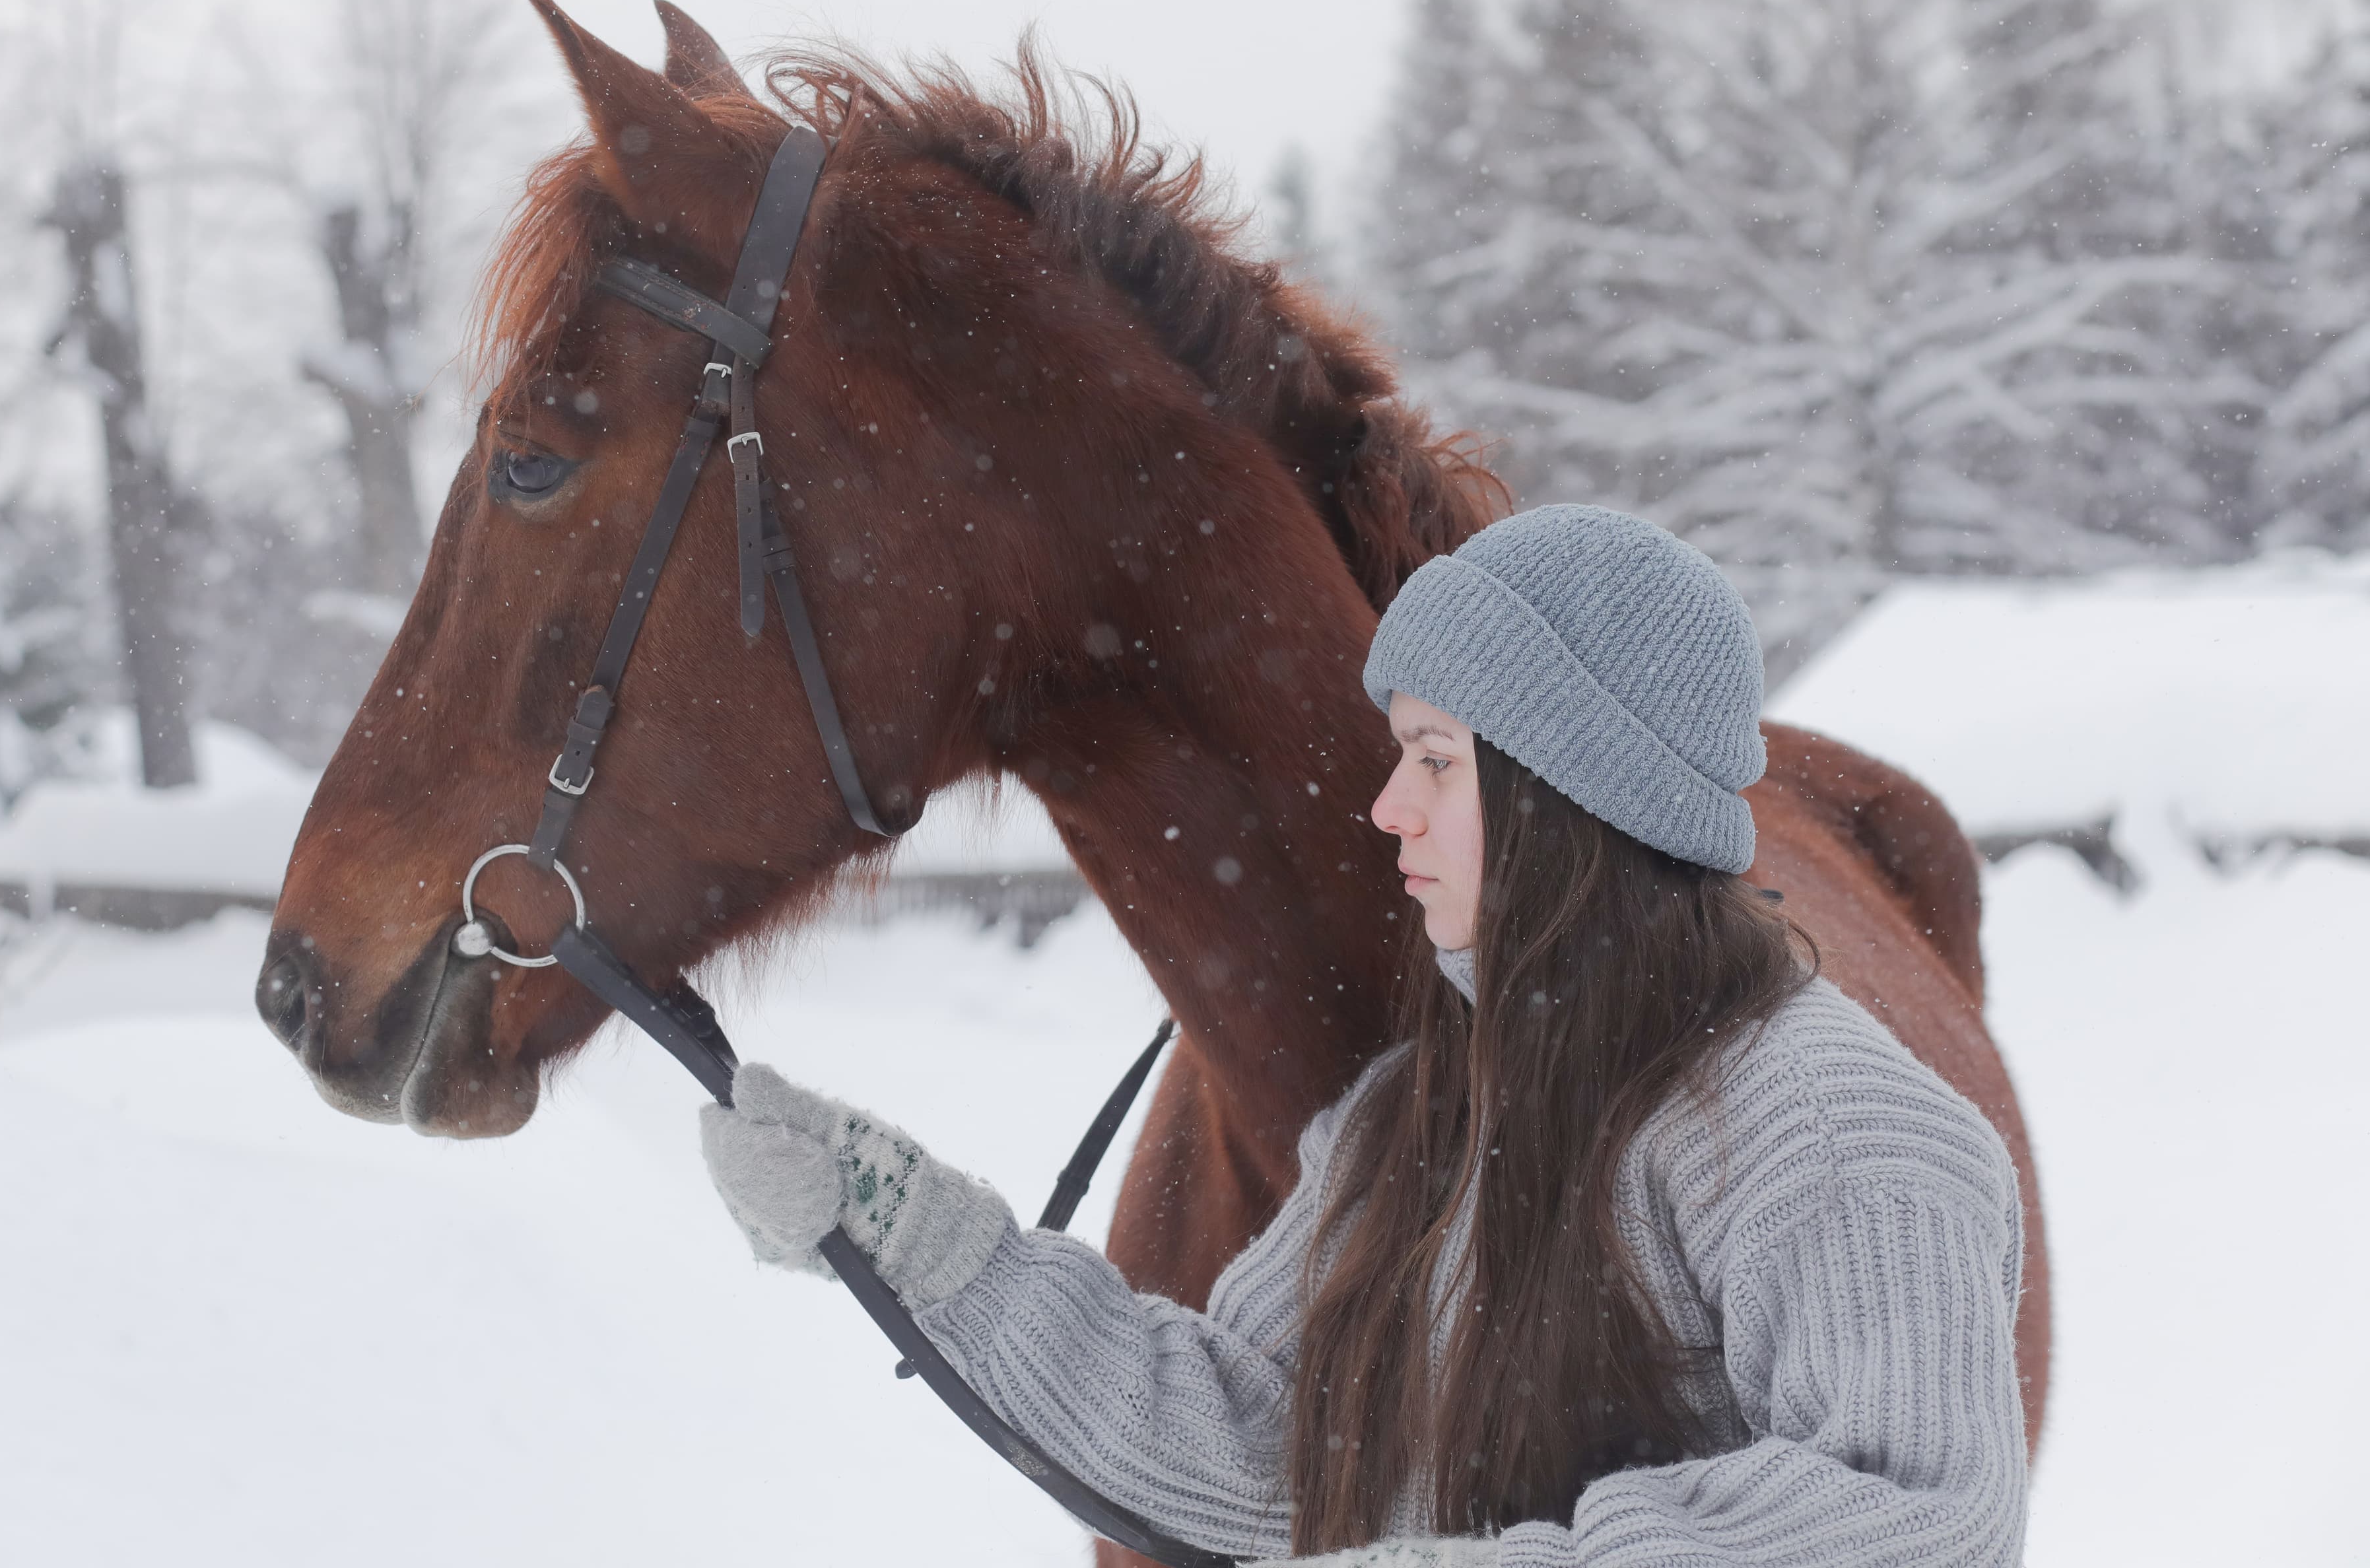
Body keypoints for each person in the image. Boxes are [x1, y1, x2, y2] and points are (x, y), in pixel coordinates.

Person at [700, 504, 2029, 1567]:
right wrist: (919, 1239)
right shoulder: (1417, 1115)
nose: (1390, 807)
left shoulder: (1832, 1130)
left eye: (1436, 759)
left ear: (1573, 786)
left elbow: (1920, 1523)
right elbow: (1258, 1440)